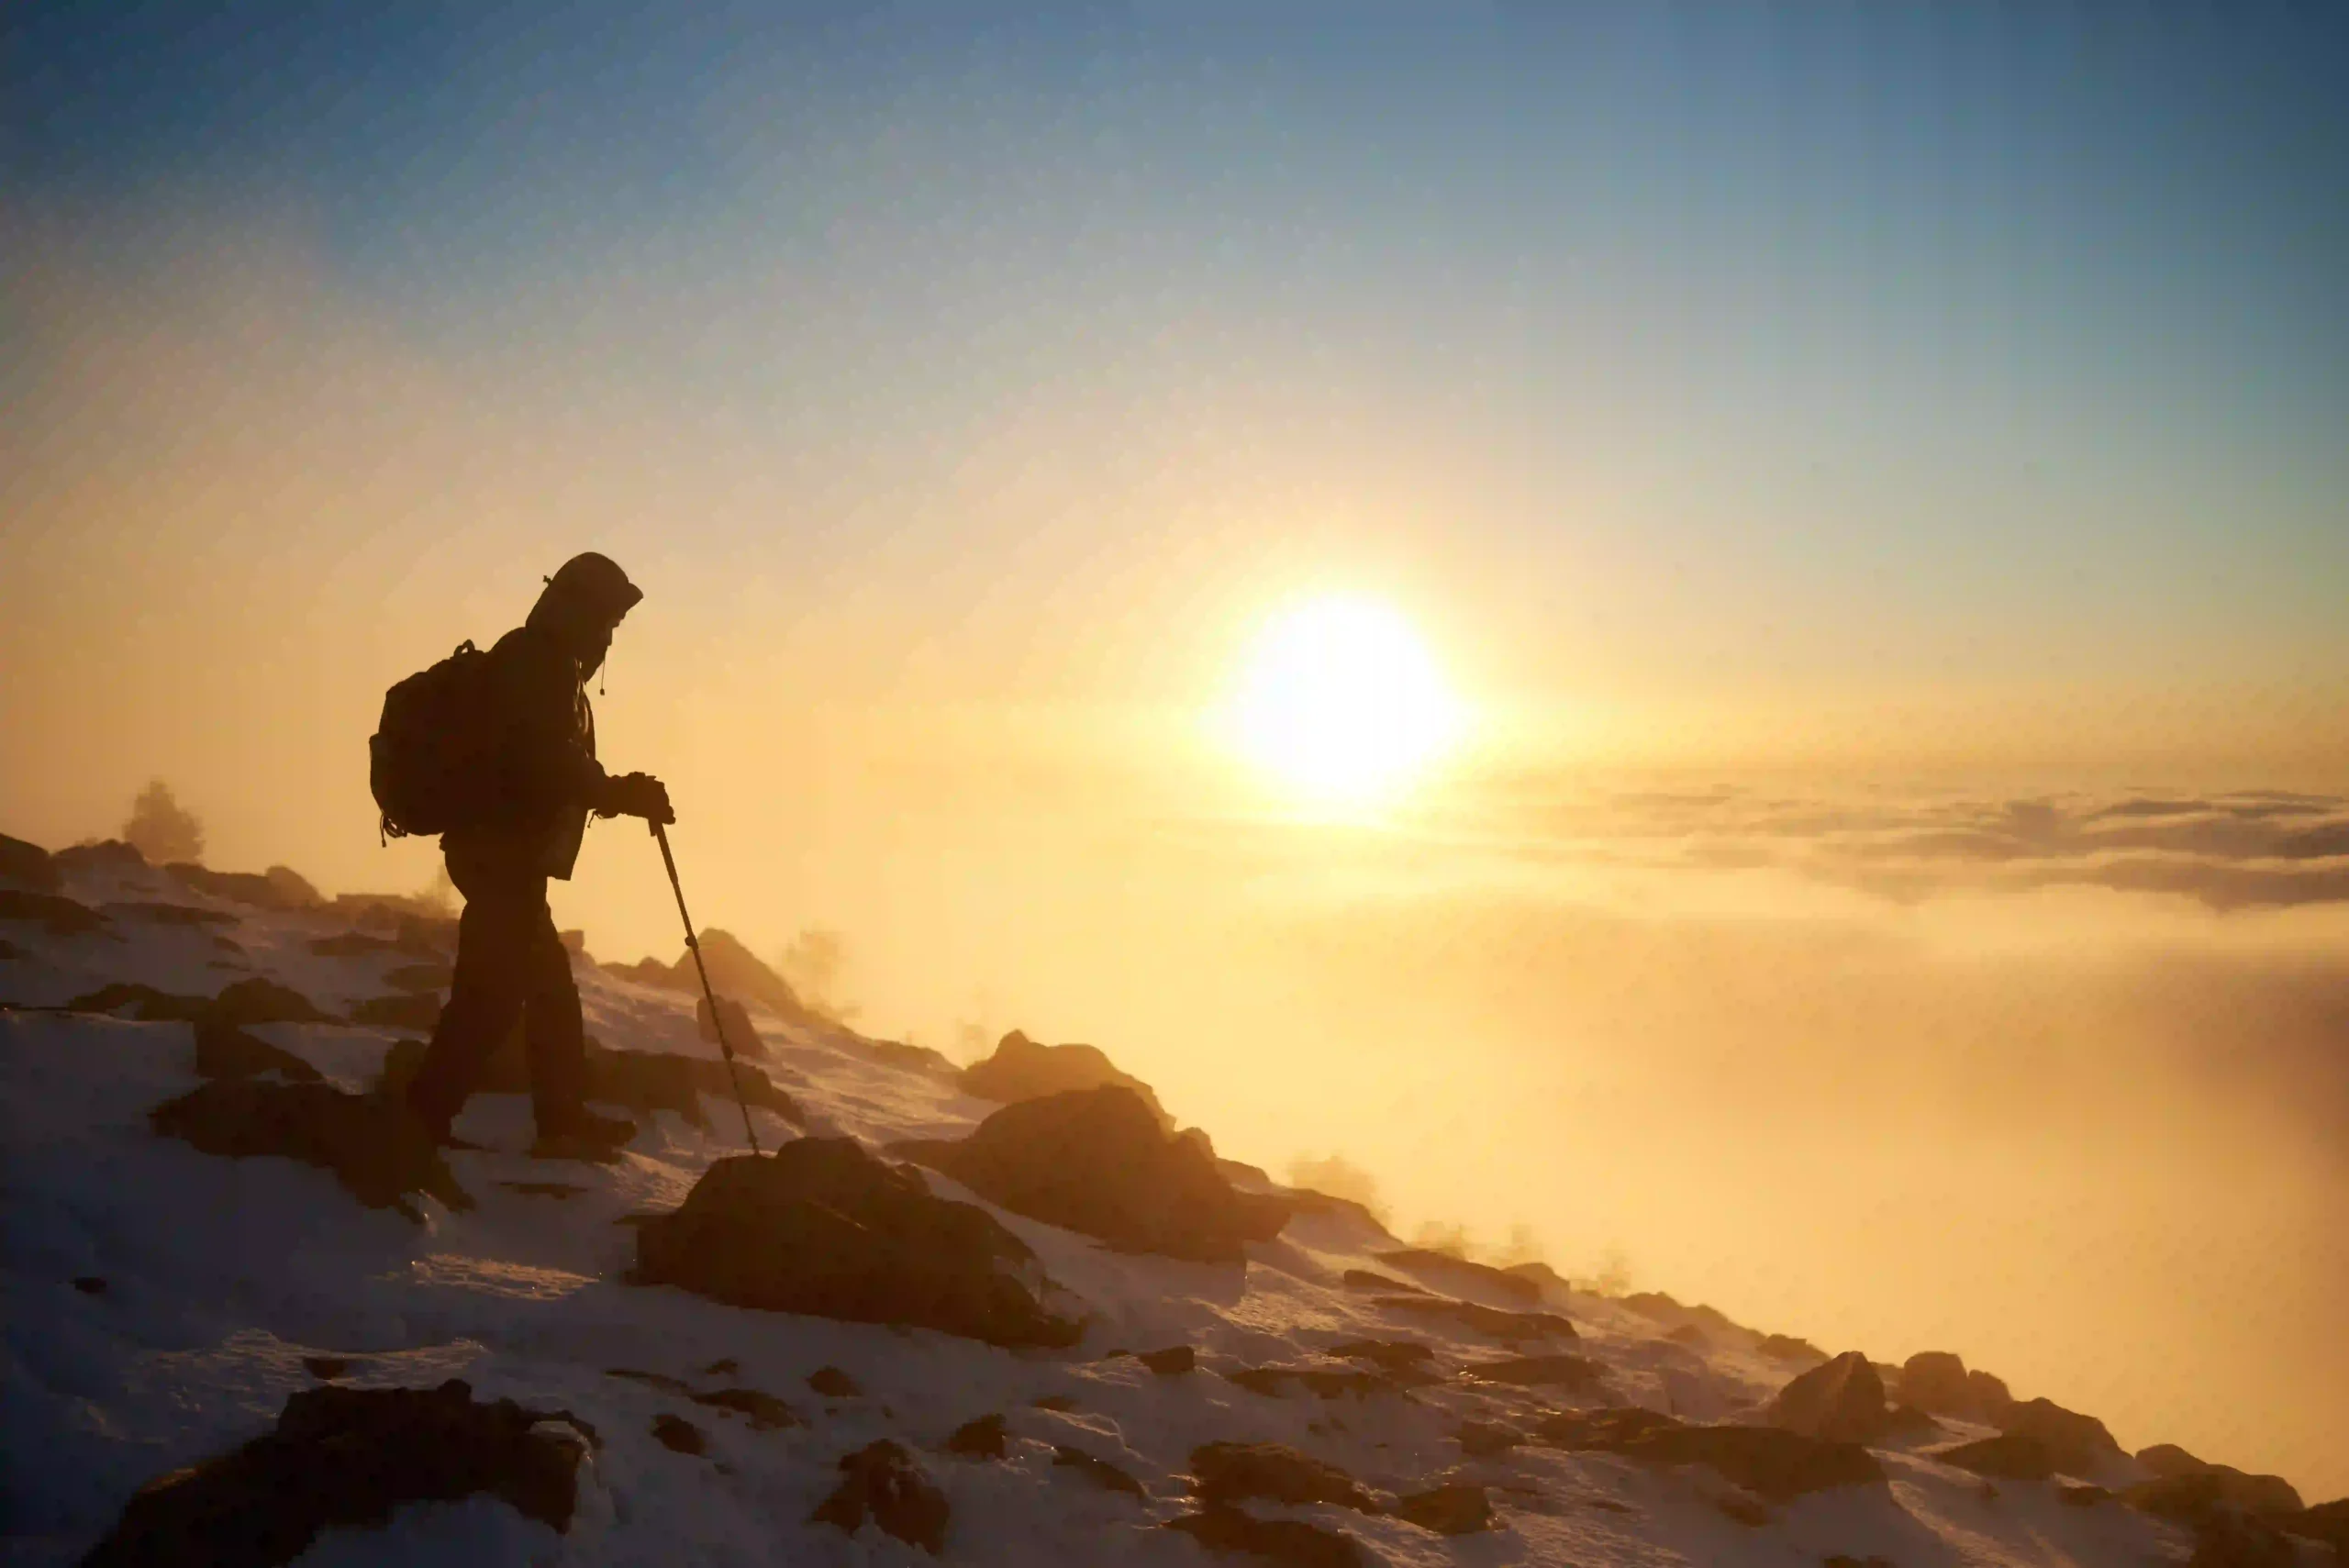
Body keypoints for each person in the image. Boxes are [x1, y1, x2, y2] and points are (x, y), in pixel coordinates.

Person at [401, 551, 674, 1156]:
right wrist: (619, 792)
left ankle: (549, 1118)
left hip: (499, 851)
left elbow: (551, 763)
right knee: (495, 997)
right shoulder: (536, 665)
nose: (610, 633)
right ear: (579, 611)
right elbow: (548, 760)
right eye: (607, 619)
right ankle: (427, 1117)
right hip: (497, 852)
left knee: (532, 988)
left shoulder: (541, 661)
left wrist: (613, 791)